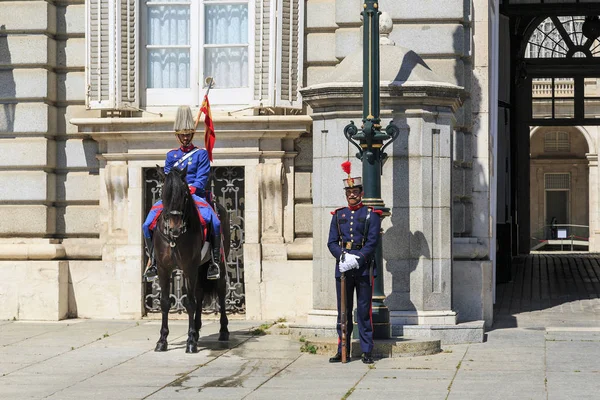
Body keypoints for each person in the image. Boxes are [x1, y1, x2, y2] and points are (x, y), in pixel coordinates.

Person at [142, 106, 222, 281]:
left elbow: (202, 177)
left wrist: (188, 189)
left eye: (188, 135)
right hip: (173, 198)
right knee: (146, 224)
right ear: (177, 136)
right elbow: (169, 178)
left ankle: (214, 263)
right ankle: (153, 262)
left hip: (194, 196)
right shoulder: (171, 156)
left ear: (192, 135)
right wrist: (174, 191)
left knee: (215, 223)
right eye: (182, 135)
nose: (185, 138)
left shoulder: (201, 154)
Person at [327, 161, 381, 364]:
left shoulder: (371, 214)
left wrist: (357, 258)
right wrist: (342, 256)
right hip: (343, 269)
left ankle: (367, 350)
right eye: (349, 191)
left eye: (355, 191)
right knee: (343, 312)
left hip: (364, 269)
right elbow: (331, 241)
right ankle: (343, 349)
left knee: (364, 311)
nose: (352, 195)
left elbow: (373, 242)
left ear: (361, 192)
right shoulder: (339, 214)